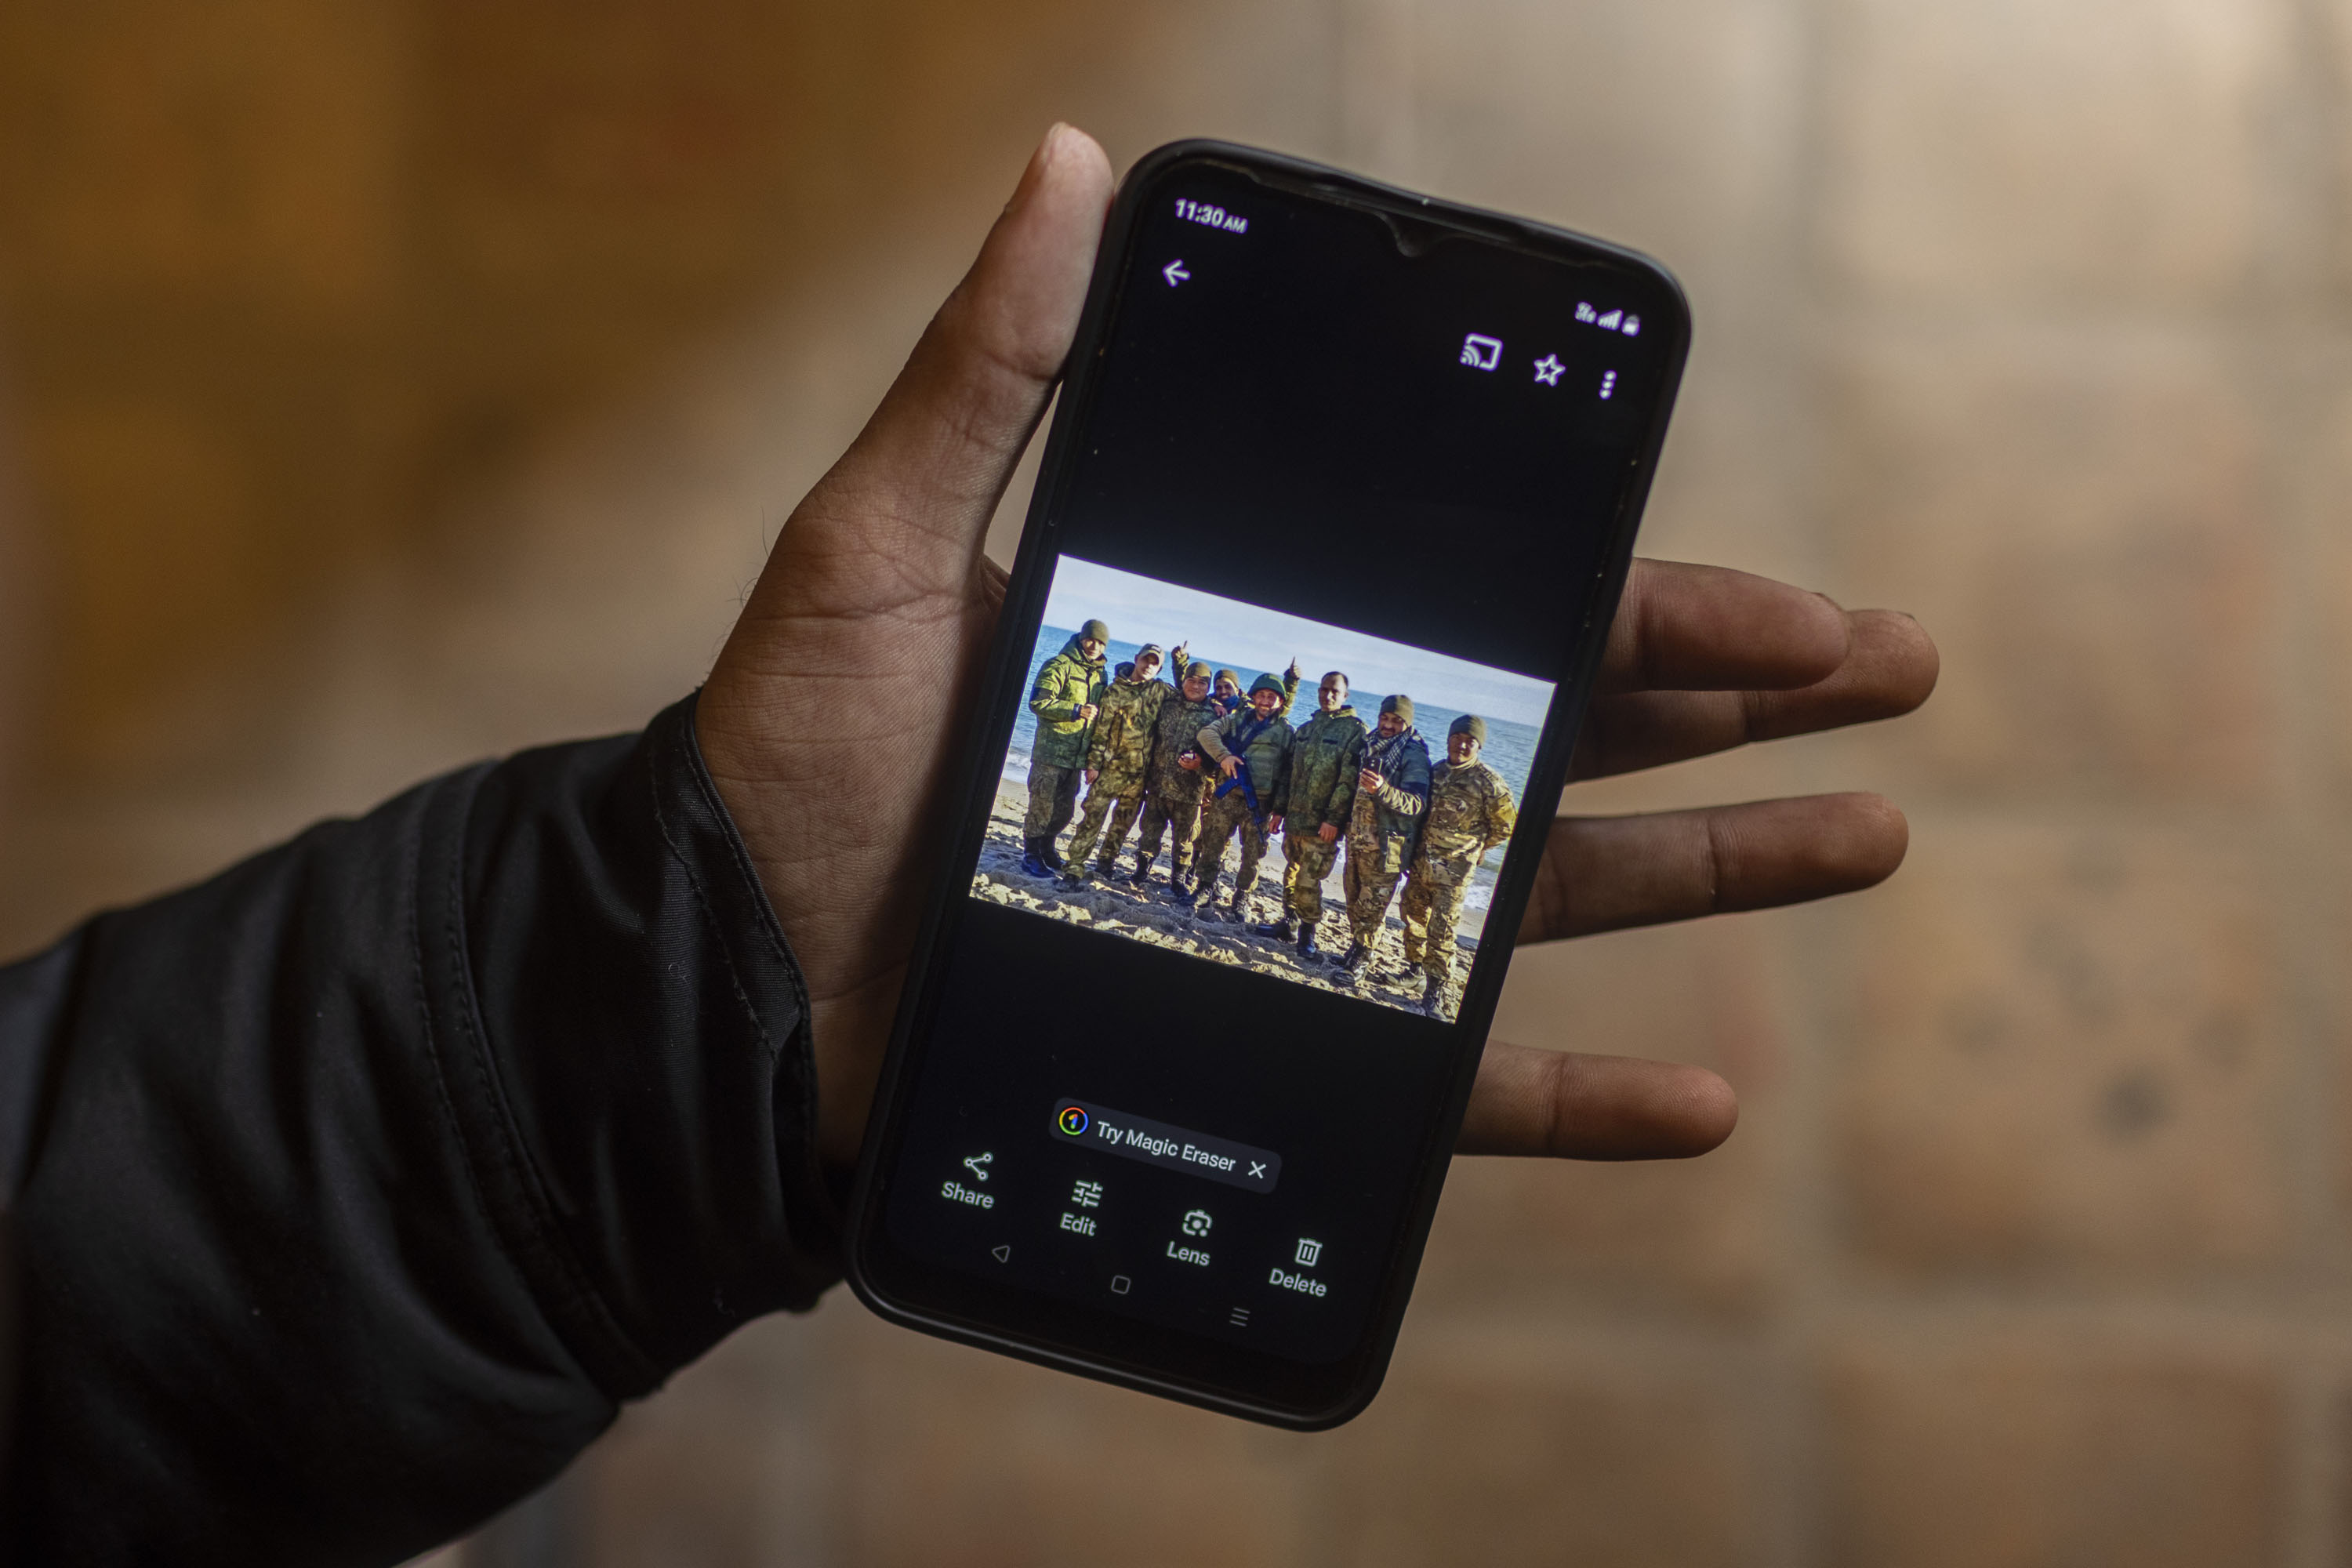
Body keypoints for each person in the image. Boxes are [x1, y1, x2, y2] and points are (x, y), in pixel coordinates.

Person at [0, 125, 1937, 1561]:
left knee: (1338, 923)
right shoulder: (1188, 699)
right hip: (304, 1343)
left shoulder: (1336, 739)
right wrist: (612, 1078)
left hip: (286, 1327)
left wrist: (611, 1066)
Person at [1399, 714, 1519, 1014]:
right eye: (1457, 737)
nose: (1462, 745)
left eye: (1470, 741)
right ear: (1449, 738)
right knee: (1413, 917)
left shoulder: (1489, 783)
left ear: (1479, 746)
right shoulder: (1436, 771)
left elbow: (1506, 826)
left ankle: (1435, 990)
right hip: (1422, 865)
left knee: (1443, 930)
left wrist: (1479, 848)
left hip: (1454, 873)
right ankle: (1414, 971)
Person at [1256, 670, 1365, 958]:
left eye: (1335, 691)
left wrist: (1334, 819)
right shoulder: (1305, 729)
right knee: (1291, 875)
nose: (1328, 695)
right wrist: (1279, 810)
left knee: (1308, 881)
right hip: (1295, 819)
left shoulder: (1354, 731)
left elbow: (1348, 781)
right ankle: (1288, 924)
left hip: (1323, 825)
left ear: (1345, 696)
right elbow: (1289, 773)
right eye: (1324, 689)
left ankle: (1307, 933)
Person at [1338, 695, 1432, 979]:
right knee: (1354, 899)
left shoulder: (1413, 754)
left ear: (1407, 723)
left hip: (1388, 846)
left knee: (1372, 906)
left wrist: (1384, 790)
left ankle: (1362, 959)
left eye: (1396, 721)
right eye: (1385, 718)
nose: (1389, 725)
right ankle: (1356, 949)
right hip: (1358, 839)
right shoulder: (1370, 743)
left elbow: (1417, 803)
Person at [1191, 673, 1297, 920]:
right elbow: (1206, 735)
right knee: (1212, 844)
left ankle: (1242, 898)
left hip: (1260, 805)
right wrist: (1224, 756)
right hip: (1227, 797)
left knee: (1253, 855)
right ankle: (1205, 887)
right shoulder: (1236, 720)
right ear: (1253, 697)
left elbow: (1287, 773)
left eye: (1272, 697)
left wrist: (1279, 810)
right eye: (1261, 695)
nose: (1266, 701)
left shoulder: (1286, 732)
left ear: (1280, 702)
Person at [1062, 643, 1169, 885]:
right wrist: (1094, 764)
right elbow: (1101, 730)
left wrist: (1224, 704)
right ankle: (1075, 865)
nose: (1149, 666)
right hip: (1110, 770)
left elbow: (1190, 697)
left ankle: (1106, 863)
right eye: (1146, 660)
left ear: (1160, 668)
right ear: (1136, 658)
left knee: (1122, 824)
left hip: (1138, 777)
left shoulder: (1161, 691)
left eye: (1155, 663)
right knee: (1092, 819)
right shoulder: (1114, 691)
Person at [1021, 616, 1108, 875]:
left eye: (1100, 642)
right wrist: (1076, 710)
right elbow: (1038, 702)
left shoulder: (1100, 674)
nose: (1094, 646)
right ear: (1081, 639)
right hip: (1050, 753)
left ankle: (1047, 849)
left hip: (1075, 758)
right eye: (1091, 639)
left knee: (1064, 812)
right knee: (1041, 808)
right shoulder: (1059, 665)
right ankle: (1031, 854)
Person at [1130, 658, 1220, 895]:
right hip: (1157, 785)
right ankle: (1141, 870)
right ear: (1184, 681)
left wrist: (1201, 763)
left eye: (1203, 683)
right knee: (1149, 833)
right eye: (1191, 680)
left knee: (1185, 840)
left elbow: (1218, 757)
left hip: (1189, 791)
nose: (1196, 686)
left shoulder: (1214, 716)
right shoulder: (1167, 704)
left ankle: (1178, 879)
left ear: (1208, 687)